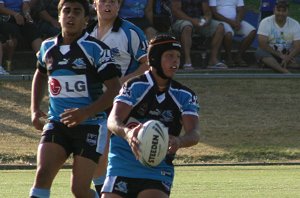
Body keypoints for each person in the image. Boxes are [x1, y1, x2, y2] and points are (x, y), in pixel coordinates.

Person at [29, 0, 121, 197]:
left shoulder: (96, 49)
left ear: (85, 20)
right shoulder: (47, 48)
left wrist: (85, 112)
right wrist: (35, 109)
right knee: (42, 175)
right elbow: (40, 74)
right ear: (59, 16)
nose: (70, 16)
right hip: (57, 123)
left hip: (91, 126)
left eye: (77, 12)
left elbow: (115, 88)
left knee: (79, 190)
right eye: (66, 11)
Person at [102, 34, 200, 198]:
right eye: (169, 56)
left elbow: (194, 133)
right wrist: (127, 133)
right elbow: (112, 121)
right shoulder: (134, 86)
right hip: (122, 164)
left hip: (158, 169)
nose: (175, 61)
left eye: (178, 57)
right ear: (154, 58)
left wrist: (179, 141)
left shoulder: (185, 95)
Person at [87, 0, 149, 195]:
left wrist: (121, 83)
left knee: (114, 156)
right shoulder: (86, 31)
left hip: (122, 103)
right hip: (91, 101)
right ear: (94, 4)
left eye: (113, 2)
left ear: (119, 5)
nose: (108, 5)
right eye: (103, 1)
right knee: (95, 157)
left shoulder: (130, 32)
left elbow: (148, 65)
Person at [172, 0, 227, 70]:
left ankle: (213, 60)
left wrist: (206, 20)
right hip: (181, 20)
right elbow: (176, 11)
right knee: (187, 27)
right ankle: (187, 61)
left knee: (220, 27)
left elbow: (207, 12)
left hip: (198, 20)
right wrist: (192, 20)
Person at [256, 0, 300, 73]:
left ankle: (274, 65)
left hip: (289, 55)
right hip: (271, 54)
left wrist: (288, 58)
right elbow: (262, 44)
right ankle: (284, 70)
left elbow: (298, 46)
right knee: (260, 52)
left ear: (288, 12)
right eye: (278, 10)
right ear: (274, 10)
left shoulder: (295, 24)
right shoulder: (265, 22)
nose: (281, 13)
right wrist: (280, 55)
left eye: (284, 11)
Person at [209, 0, 256, 67]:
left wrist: (238, 21)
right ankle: (229, 57)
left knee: (252, 31)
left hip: (235, 21)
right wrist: (230, 22)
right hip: (221, 21)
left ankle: (238, 56)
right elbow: (214, 13)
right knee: (228, 34)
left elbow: (241, 9)